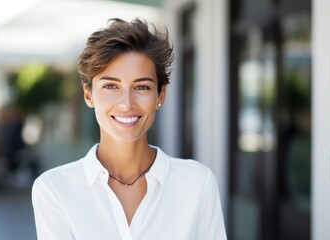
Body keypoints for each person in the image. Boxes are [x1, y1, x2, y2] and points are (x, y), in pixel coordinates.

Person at [32, 18, 227, 240]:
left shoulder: (197, 183)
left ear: (160, 95)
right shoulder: (54, 189)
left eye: (141, 87)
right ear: (88, 95)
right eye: (111, 86)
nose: (127, 103)